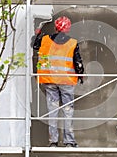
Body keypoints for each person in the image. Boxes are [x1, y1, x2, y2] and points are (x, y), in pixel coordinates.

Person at [33, 16, 84, 148]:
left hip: (49, 81)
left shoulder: (45, 40)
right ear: (68, 29)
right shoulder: (72, 43)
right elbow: (78, 62)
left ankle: (53, 142)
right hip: (66, 81)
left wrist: (38, 33)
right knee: (68, 111)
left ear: (56, 27)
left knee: (53, 111)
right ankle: (69, 142)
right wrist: (81, 75)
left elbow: (35, 45)